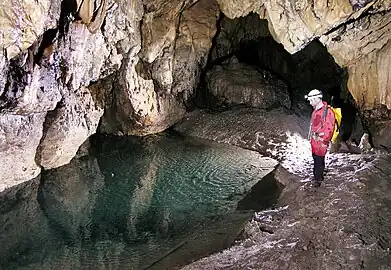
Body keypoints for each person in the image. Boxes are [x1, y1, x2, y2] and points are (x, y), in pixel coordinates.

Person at [305, 89, 335, 187]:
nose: (310, 102)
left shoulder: (328, 112)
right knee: (316, 158)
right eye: (309, 100)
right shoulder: (316, 110)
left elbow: (329, 128)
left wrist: (324, 141)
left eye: (312, 100)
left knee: (318, 160)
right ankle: (319, 174)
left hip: (321, 142)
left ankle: (318, 180)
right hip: (315, 141)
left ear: (318, 98)